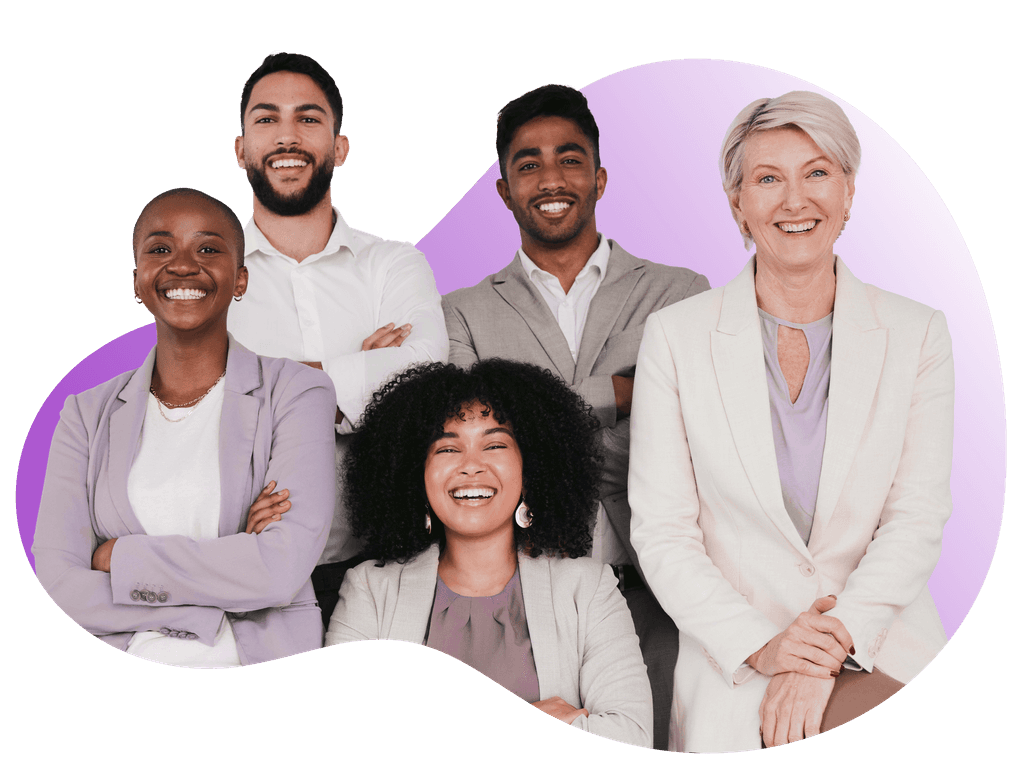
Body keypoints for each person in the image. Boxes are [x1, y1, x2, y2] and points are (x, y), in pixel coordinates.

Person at [628, 91, 954, 752]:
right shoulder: (675, 337)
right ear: (737, 203)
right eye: (768, 178)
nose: (794, 200)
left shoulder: (919, 334)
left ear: (849, 191)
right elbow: (663, 533)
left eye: (817, 172)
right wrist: (767, 647)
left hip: (880, 636)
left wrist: (827, 648)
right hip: (737, 650)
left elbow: (915, 519)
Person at [442, 84, 709, 750]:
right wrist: (622, 394)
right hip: (523, 599)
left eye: (570, 158)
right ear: (504, 189)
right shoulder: (462, 312)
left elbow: (695, 432)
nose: (551, 177)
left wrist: (531, 421)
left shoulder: (680, 293)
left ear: (599, 176)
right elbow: (471, 437)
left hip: (657, 588)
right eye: (528, 163)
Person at [32, 189, 337, 666]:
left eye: (208, 248)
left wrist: (122, 559)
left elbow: (280, 571)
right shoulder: (85, 415)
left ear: (240, 279)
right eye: (160, 249)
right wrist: (230, 567)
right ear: (138, 281)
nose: (182, 265)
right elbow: (57, 586)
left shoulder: (298, 393)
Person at [227, 51, 448, 626]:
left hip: (390, 568)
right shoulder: (208, 278)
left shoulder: (393, 263)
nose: (287, 136)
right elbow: (205, 401)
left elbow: (424, 377)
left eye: (308, 118)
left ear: (340, 147)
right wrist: (355, 370)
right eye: (266, 119)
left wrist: (272, 387)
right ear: (241, 147)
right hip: (246, 564)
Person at [326, 360, 653, 748]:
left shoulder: (589, 588)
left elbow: (629, 739)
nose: (471, 466)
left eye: (495, 444)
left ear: (530, 468)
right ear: (416, 472)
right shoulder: (369, 590)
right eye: (447, 447)